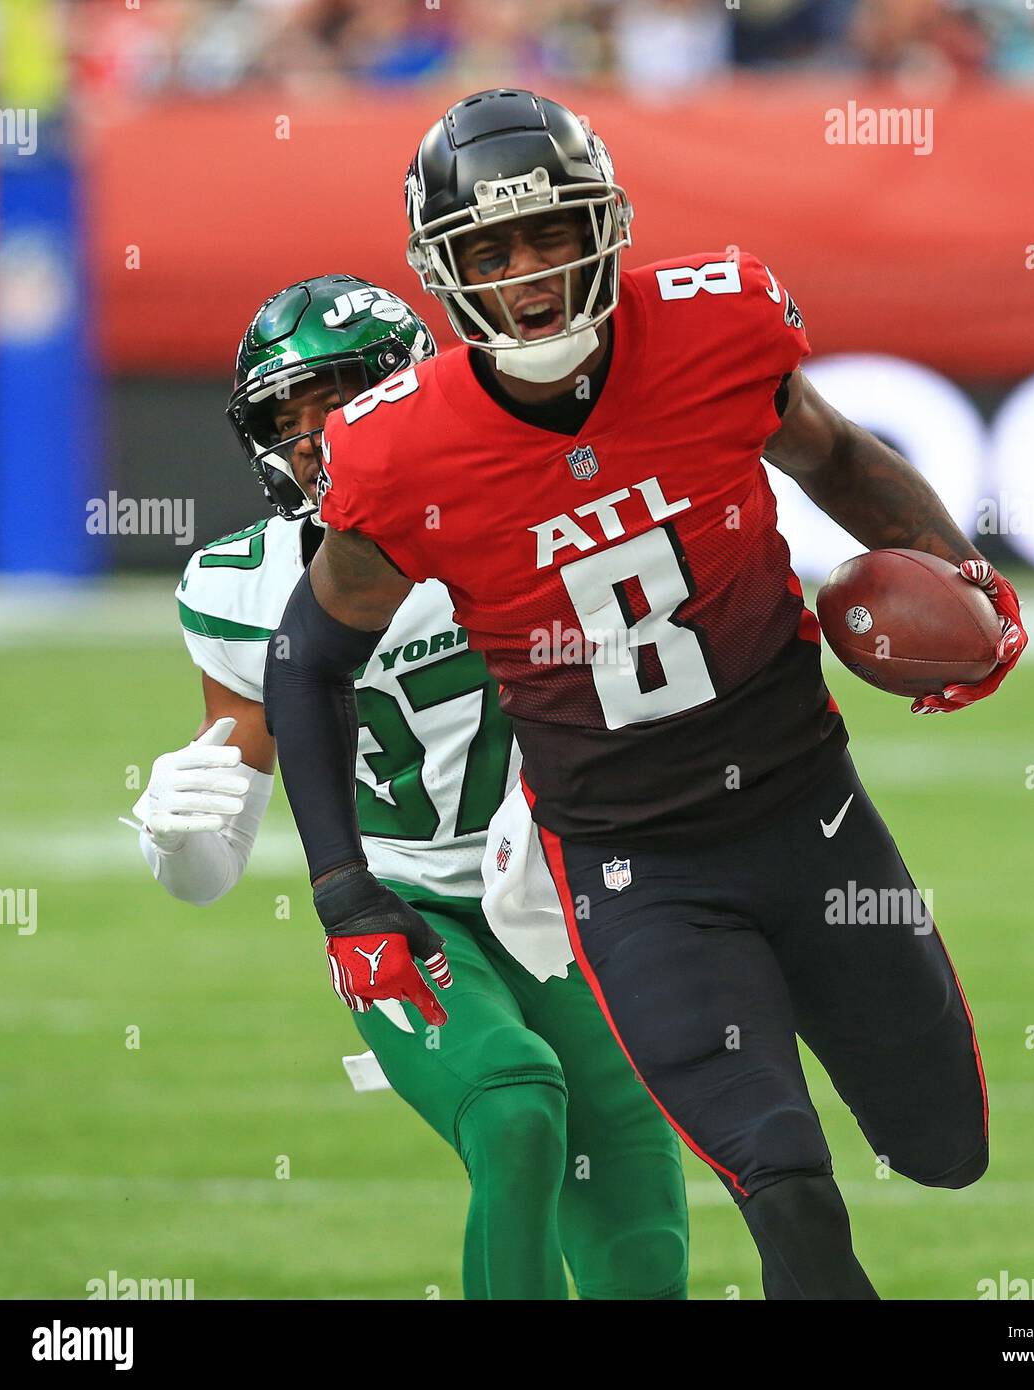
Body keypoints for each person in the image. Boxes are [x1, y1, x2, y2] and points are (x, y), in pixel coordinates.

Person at [263, 91, 1027, 1299]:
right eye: (490, 251)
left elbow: (831, 454)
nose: (528, 276)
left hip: (808, 812)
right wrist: (343, 888)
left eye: (552, 235)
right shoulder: (400, 449)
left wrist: (963, 581)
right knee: (784, 1184)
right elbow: (308, 656)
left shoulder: (714, 327)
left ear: (604, 224)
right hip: (632, 868)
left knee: (944, 1149)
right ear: (444, 270)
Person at [129, 273, 689, 1301]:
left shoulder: (532, 506)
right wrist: (173, 835)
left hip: (568, 895)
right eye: (282, 416)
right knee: (515, 1108)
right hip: (397, 909)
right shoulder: (236, 584)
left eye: (333, 399)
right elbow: (210, 874)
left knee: (639, 1241)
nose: (307, 437)